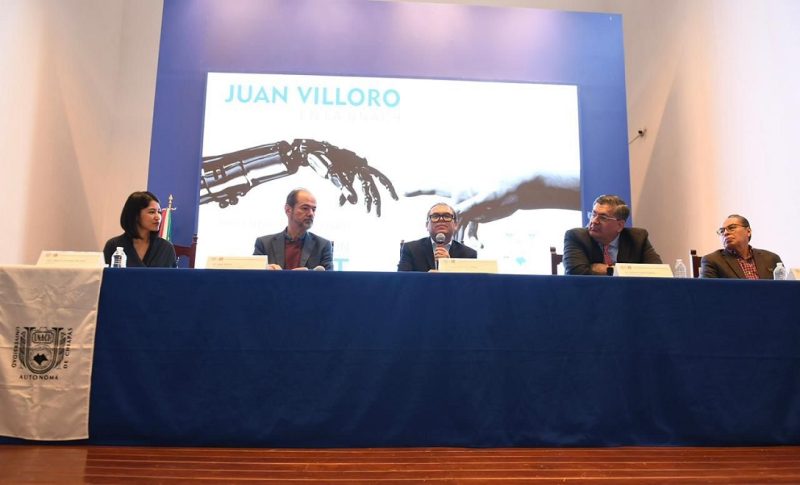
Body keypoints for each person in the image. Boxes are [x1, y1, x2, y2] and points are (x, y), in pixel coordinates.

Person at [563, 194, 662, 275]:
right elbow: (576, 272)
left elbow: (658, 271)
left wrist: (610, 269)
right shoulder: (576, 237)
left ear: (620, 225)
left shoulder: (638, 237)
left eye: (603, 218)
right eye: (593, 214)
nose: (594, 221)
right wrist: (632, 271)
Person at [253, 188, 333, 270]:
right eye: (305, 208)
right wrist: (266, 271)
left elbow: (329, 277)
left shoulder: (323, 245)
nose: (311, 213)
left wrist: (307, 275)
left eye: (313, 209)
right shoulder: (264, 244)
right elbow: (253, 276)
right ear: (288, 210)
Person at [103, 191, 177, 267]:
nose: (158, 217)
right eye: (152, 212)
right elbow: (104, 274)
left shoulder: (166, 248)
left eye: (159, 212)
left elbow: (172, 274)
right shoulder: (113, 245)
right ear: (135, 215)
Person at [398, 202, 478, 272]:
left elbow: (470, 283)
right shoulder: (411, 249)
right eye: (435, 216)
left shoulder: (469, 254)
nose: (441, 219)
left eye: (447, 216)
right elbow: (401, 280)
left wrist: (449, 266)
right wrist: (425, 278)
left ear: (456, 225)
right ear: (427, 225)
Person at [700, 214, 782, 279]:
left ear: (748, 231)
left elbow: (784, 289)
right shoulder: (712, 261)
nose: (725, 233)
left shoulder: (771, 258)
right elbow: (706, 291)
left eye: (732, 228)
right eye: (722, 231)